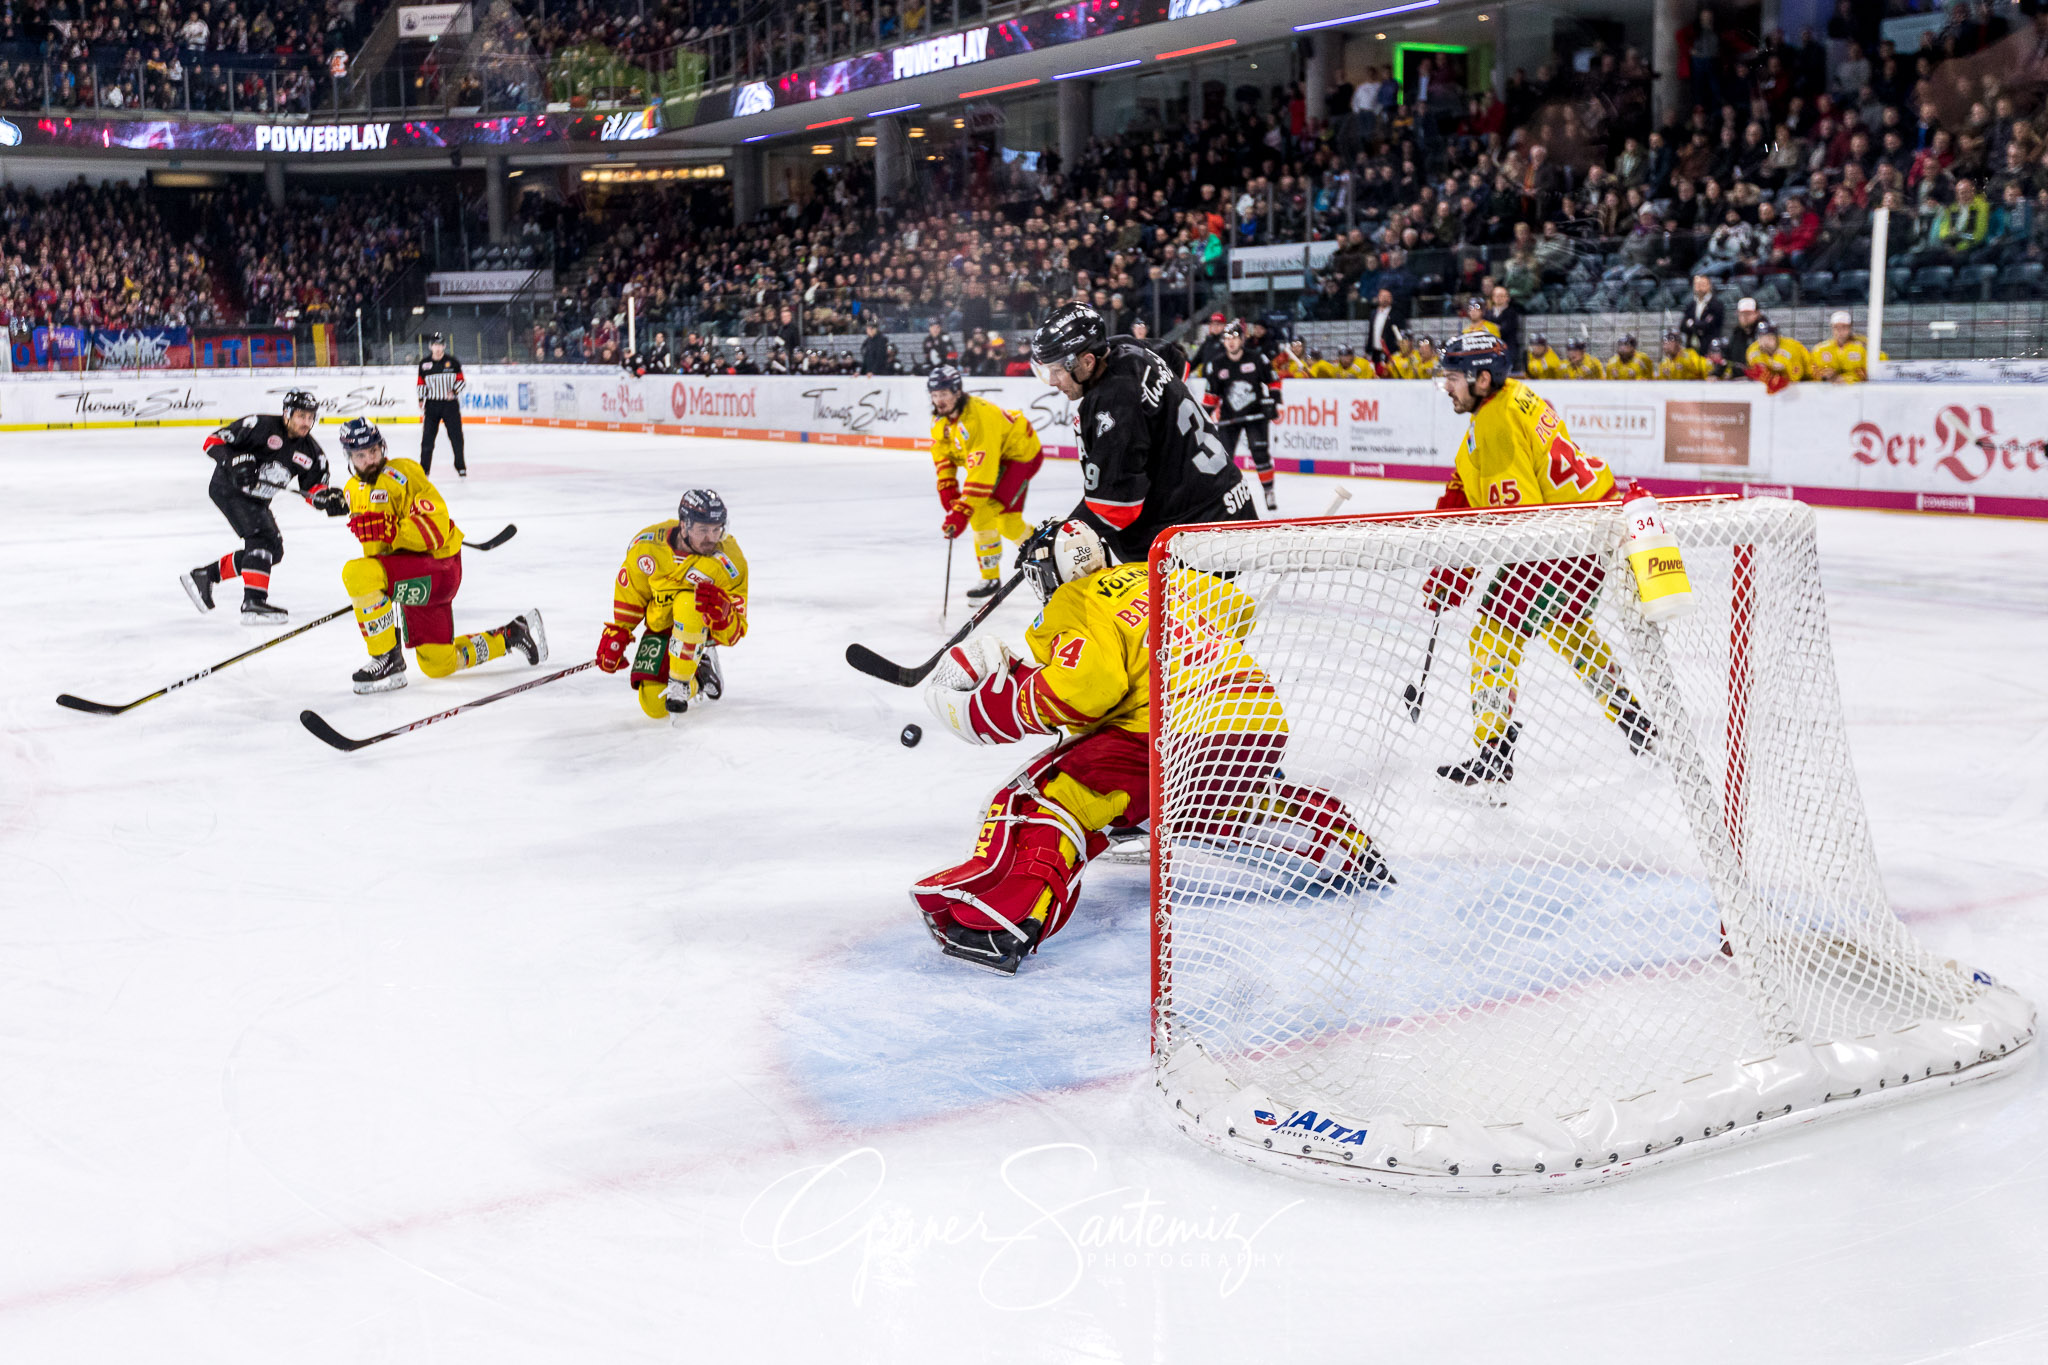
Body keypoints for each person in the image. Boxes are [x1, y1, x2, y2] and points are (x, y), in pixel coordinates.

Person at [912, 519, 1388, 973]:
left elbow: (1088, 689)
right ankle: (1345, 845)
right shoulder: (1152, 571)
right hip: (1256, 717)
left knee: (1048, 796)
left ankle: (1000, 925)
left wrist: (1002, 701)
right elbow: (1237, 607)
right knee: (1209, 805)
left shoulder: (1072, 600)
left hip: (1178, 729)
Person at [1423, 333, 1656, 788]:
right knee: (1571, 633)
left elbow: (1516, 526)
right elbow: (1485, 458)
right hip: (1591, 534)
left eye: (1451, 378)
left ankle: (1493, 750)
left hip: (1556, 544)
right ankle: (1634, 720)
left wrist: (1457, 569)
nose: (1445, 387)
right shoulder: (1516, 395)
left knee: (1491, 633)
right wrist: (1459, 489)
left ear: (1481, 379)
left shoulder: (1494, 425)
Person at [1029, 301, 1256, 565]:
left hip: (1195, 539)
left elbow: (1115, 506)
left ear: (1087, 361)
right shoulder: (1126, 346)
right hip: (1229, 500)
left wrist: (1062, 538)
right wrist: (1160, 421)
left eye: (1057, 370)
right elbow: (1177, 360)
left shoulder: (1113, 402)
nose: (1053, 382)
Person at [334, 418, 543, 695]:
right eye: (361, 455)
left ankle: (387, 658)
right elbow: (377, 554)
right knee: (439, 665)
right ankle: (512, 635)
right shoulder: (352, 490)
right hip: (407, 573)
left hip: (438, 567)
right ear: (349, 457)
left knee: (356, 573)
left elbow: (438, 526)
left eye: (374, 450)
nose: (371, 459)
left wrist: (394, 530)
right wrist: (376, 597)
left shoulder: (403, 474)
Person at [180, 389, 344, 626]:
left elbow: (313, 488)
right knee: (262, 537)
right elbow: (213, 441)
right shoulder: (260, 425)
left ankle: (206, 575)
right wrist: (233, 462)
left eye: (310, 417)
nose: (306, 422)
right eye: (301, 416)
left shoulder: (312, 453)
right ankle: (253, 603)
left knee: (272, 552)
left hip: (256, 501)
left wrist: (326, 499)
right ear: (287, 413)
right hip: (228, 488)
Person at [595, 488, 750, 721]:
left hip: (701, 626)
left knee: (688, 602)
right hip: (661, 625)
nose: (712, 538)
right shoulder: (647, 547)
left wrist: (724, 615)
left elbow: (735, 633)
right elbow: (632, 592)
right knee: (654, 706)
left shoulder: (729, 562)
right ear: (684, 525)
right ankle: (700, 675)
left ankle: (680, 683)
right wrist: (619, 631)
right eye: (704, 530)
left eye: (717, 529)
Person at [928, 365, 1044, 601]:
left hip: (1019, 456)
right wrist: (947, 483)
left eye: (944, 393)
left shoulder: (978, 418)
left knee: (994, 517)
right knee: (997, 520)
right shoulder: (940, 419)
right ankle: (1033, 561)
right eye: (934, 394)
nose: (939, 400)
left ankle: (1030, 561)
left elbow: (983, 472)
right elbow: (942, 449)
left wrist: (961, 511)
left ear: (957, 392)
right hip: (999, 458)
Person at [1197, 320, 1280, 512]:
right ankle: (1223, 496)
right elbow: (1211, 395)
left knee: (1260, 455)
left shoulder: (1257, 358)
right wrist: (1203, 418)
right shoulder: (1217, 364)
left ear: (1242, 339)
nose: (1231, 342)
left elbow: (1273, 382)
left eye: (1234, 337)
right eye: (1227, 338)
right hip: (1229, 417)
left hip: (1256, 416)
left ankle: (1268, 491)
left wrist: (1273, 403)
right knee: (1224, 458)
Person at [416, 333, 467, 477]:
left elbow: (461, 381)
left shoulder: (453, 362)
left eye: (440, 345)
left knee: (456, 437)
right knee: (427, 439)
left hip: (450, 405)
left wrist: (455, 391)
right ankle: (424, 469)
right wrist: (421, 398)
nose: (437, 348)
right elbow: (421, 383)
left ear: (444, 346)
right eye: (435, 345)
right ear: (430, 346)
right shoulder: (424, 364)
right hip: (432, 405)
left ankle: (460, 466)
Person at [1745, 321, 1811, 391]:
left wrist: (1780, 372)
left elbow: (1796, 377)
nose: (1765, 341)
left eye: (1769, 337)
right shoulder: (1752, 350)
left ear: (1777, 337)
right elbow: (1759, 375)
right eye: (1761, 337)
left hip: (1809, 379)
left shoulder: (1791, 348)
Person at [1810, 310, 1872, 382]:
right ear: (1832, 328)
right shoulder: (1820, 349)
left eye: (1844, 327)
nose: (1840, 331)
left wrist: (1844, 378)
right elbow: (1812, 372)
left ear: (1850, 328)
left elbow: (1867, 373)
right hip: (1828, 391)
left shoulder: (1861, 348)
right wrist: (1824, 376)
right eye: (1836, 327)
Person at [1678, 274, 1725, 353]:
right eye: (1697, 284)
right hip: (1691, 348)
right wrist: (1699, 326)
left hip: (1709, 348)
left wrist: (1691, 324)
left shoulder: (1716, 305)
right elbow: (1682, 326)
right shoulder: (1690, 305)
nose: (1699, 287)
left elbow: (1709, 326)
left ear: (1709, 285)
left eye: (1702, 284)